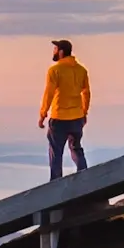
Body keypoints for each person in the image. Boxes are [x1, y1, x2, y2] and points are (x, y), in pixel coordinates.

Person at [39, 39, 91, 182]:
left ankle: (55, 186)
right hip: (77, 117)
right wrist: (84, 112)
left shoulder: (54, 70)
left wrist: (43, 114)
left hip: (59, 118)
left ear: (61, 52)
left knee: (56, 152)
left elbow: (48, 93)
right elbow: (86, 93)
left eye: (55, 49)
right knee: (76, 148)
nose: (53, 51)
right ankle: (85, 178)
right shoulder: (81, 70)